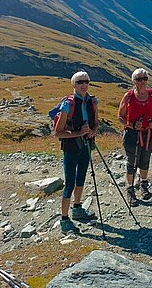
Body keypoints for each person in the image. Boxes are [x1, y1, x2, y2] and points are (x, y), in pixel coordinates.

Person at [54, 71, 99, 234]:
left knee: (81, 178)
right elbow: (58, 132)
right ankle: (64, 219)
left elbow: (96, 122)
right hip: (71, 148)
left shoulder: (93, 101)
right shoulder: (68, 104)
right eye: (80, 82)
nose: (84, 84)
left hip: (86, 146)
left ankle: (77, 208)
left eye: (86, 81)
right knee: (70, 182)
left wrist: (93, 131)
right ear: (74, 84)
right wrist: (78, 133)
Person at [118, 68, 152, 206]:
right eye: (139, 79)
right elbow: (120, 117)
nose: (142, 82)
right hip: (132, 135)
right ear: (134, 81)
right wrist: (131, 125)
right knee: (132, 162)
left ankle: (143, 184)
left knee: (145, 160)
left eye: (145, 79)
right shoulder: (128, 96)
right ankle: (130, 189)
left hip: (149, 133)